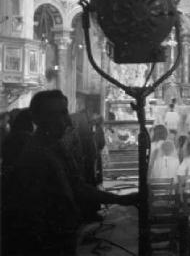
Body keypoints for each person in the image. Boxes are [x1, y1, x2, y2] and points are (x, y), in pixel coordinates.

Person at [2, 90, 137, 256]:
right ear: (38, 119)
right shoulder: (35, 155)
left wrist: (121, 200)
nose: (64, 121)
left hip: (62, 236)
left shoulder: (56, 147)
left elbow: (78, 186)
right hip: (44, 242)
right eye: (54, 114)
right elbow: (33, 213)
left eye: (64, 112)